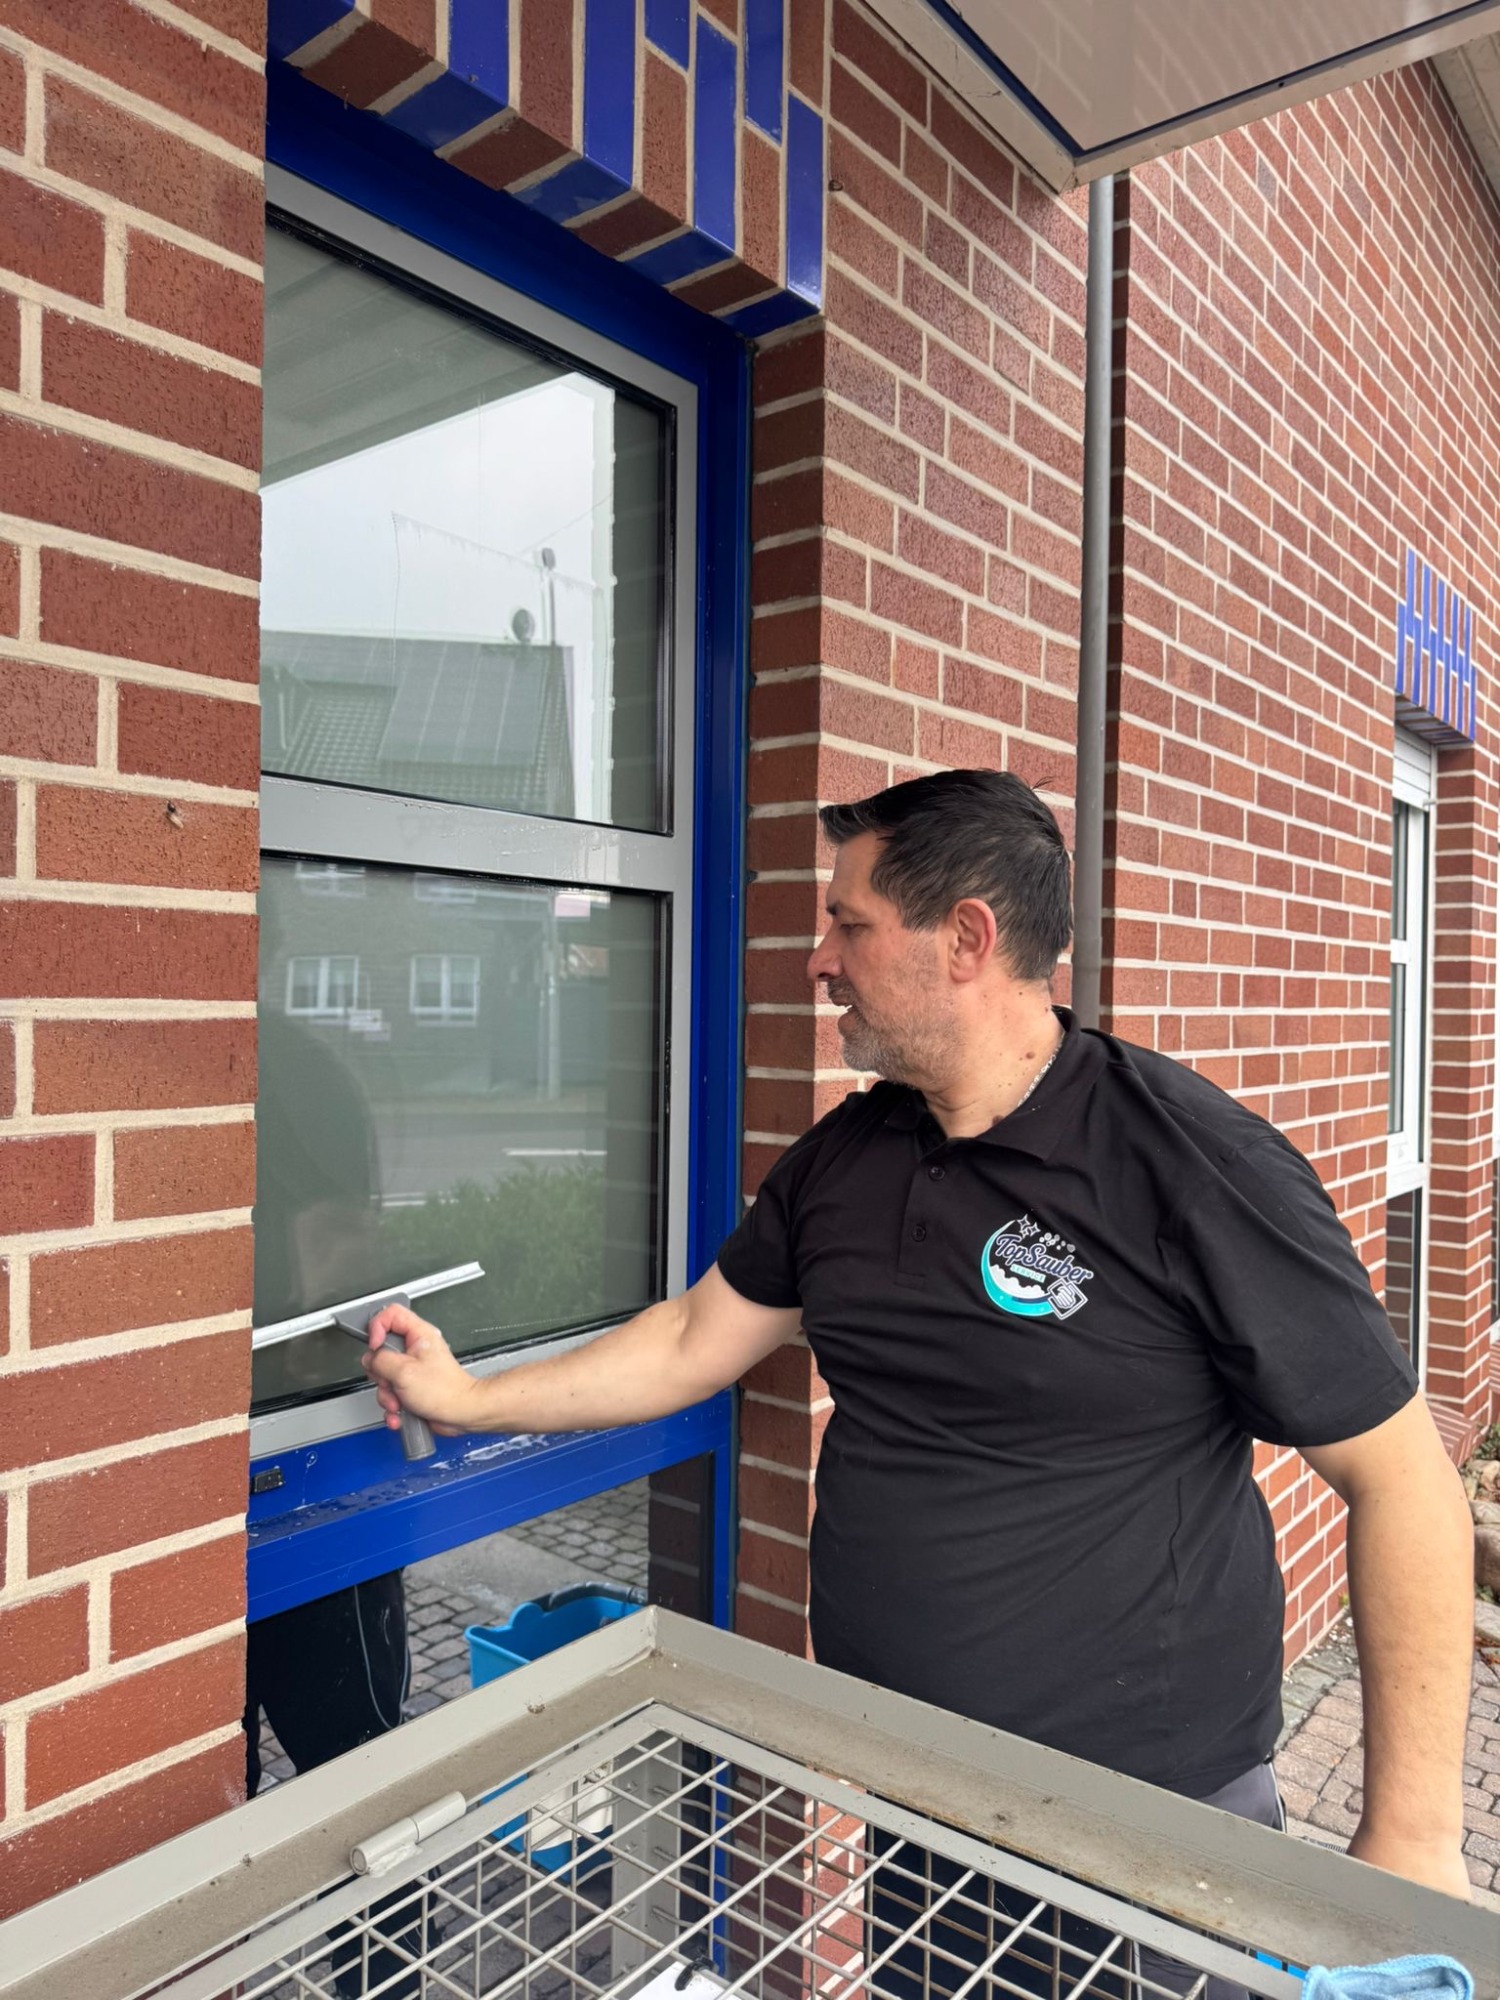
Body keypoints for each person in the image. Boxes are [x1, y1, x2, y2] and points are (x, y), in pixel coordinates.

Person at [358, 770, 1475, 1958]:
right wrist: (470, 1399)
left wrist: (1411, 1838)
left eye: (849, 923)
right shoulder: (843, 1159)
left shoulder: (1190, 1163)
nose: (818, 960)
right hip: (915, 1803)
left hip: (1152, 1838)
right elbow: (692, 1339)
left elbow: (1402, 1476)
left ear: (966, 939)